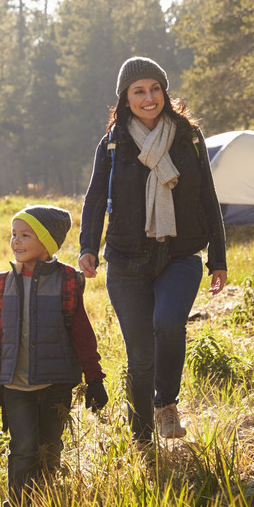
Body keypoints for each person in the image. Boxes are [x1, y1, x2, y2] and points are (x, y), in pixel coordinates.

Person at [79, 56, 227, 444]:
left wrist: (219, 259)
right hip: (126, 261)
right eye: (139, 91)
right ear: (125, 98)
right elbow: (95, 199)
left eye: (155, 89)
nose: (149, 98)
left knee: (168, 322)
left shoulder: (188, 137)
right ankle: (142, 436)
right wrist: (88, 247)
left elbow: (209, 199)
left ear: (165, 92)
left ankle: (166, 406)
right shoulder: (114, 143)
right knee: (140, 353)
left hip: (179, 256)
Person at [0, 205, 107, 507]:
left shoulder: (67, 281)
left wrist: (94, 379)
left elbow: (81, 333)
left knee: (50, 448)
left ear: (48, 243)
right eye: (14, 234)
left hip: (56, 385)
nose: (16, 241)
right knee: (23, 449)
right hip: (14, 385)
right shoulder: (0, 283)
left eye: (26, 235)